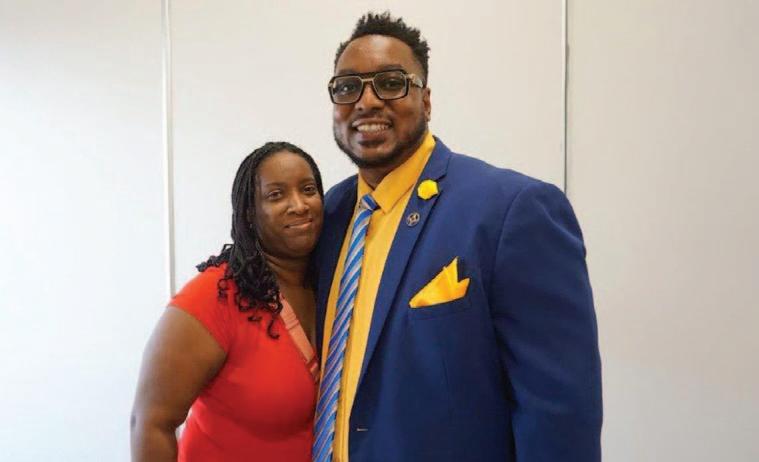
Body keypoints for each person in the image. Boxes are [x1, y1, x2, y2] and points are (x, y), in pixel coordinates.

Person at [313, 12, 602, 462]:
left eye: (390, 83)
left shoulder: (512, 210)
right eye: (348, 87)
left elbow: (559, 415)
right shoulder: (328, 215)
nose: (366, 101)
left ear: (426, 101)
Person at [131, 142, 324, 461]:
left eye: (308, 190)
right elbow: (150, 422)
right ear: (250, 214)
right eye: (276, 195)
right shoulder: (213, 295)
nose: (299, 205)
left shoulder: (331, 285)